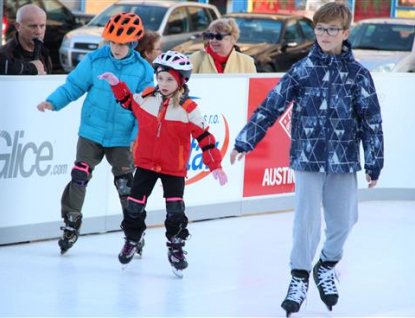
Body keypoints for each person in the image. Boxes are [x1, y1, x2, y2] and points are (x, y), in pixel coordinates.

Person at [230, 3, 383, 316]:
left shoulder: (358, 75)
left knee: (345, 220)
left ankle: (326, 264)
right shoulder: (302, 70)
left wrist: (374, 162)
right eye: (320, 29)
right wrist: (245, 141)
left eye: (332, 30)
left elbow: (372, 121)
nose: (325, 35)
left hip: (343, 159)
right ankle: (299, 275)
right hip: (307, 158)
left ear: (345, 32)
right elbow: (271, 106)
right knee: (306, 221)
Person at [99, 50, 228, 277]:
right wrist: (116, 84)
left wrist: (215, 164)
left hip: (173, 168)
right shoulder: (148, 98)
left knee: (175, 210)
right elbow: (128, 101)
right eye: (160, 78)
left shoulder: (188, 109)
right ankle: (133, 238)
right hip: (146, 164)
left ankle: (176, 247)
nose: (164, 83)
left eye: (169, 79)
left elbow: (205, 138)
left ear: (181, 81)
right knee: (134, 206)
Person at [36, 12, 154, 255]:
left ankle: (134, 230)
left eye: (122, 43)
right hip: (92, 131)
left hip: (122, 137)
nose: (116, 47)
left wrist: (135, 136)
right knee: (80, 174)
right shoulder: (95, 60)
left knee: (125, 185)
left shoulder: (143, 70)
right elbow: (74, 86)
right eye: (112, 42)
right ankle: (71, 222)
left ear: (132, 43)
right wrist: (52, 102)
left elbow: (145, 108)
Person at [190, 18, 257, 74]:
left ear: (232, 39)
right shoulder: (195, 59)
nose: (213, 40)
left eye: (218, 37)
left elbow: (253, 88)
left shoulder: (247, 62)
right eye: (211, 36)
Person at [0, 4, 52, 74]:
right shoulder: (6, 54)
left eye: (42, 26)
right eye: (33, 26)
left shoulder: (44, 53)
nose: (38, 32)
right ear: (18, 27)